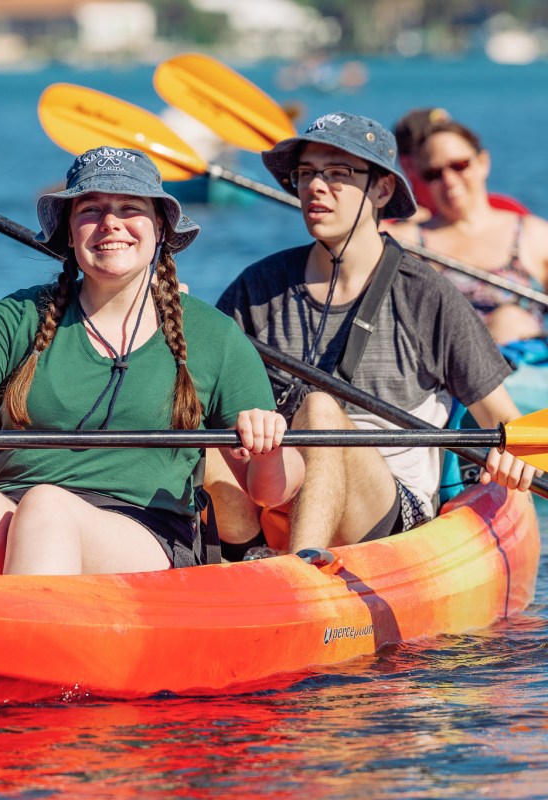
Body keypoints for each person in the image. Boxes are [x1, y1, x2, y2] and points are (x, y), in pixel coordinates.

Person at [0, 146, 304, 575]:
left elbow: (271, 493)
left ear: (160, 226)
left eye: (130, 208)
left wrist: (270, 447)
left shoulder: (214, 336)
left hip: (145, 535)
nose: (110, 224)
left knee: (48, 507)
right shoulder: (18, 317)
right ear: (69, 232)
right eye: (90, 210)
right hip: (12, 516)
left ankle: (29, 633)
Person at [209, 112, 537, 560]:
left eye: (338, 174)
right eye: (305, 174)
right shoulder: (259, 286)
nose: (315, 187)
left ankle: (303, 569)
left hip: (389, 511)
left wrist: (512, 454)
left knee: (321, 409)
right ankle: (235, 557)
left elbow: (508, 422)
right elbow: (196, 393)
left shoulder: (425, 294)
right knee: (197, 424)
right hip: (275, 488)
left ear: (382, 190)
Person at [388, 116, 548, 345]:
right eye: (434, 174)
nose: (449, 180)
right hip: (443, 370)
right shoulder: (404, 242)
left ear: (483, 162)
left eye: (459, 165)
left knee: (510, 319)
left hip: (523, 372)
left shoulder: (534, 234)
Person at [390, 107, 531, 222]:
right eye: (434, 172)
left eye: (459, 164)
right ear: (408, 165)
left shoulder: (509, 212)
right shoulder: (394, 228)